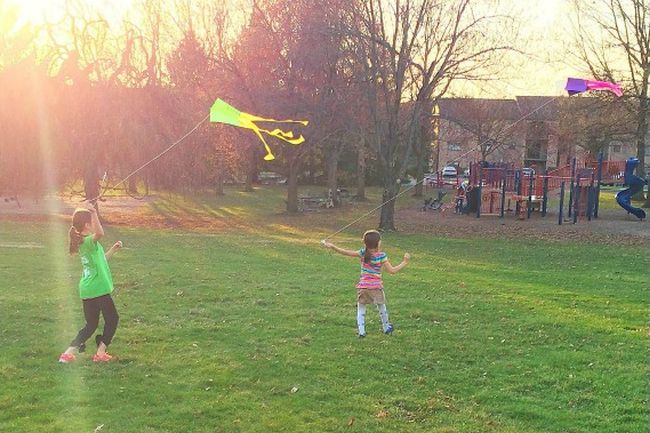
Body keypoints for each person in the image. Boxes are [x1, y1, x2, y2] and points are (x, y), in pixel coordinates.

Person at [59, 201, 122, 363]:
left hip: (87, 289)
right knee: (112, 319)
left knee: (91, 325)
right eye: (92, 221)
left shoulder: (83, 243)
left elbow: (101, 261)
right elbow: (100, 233)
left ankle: (67, 353)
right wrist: (94, 212)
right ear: (87, 225)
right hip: (98, 289)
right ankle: (100, 353)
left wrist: (113, 250)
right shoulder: (88, 241)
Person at [322, 230, 410, 337]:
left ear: (365, 243)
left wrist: (332, 246)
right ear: (378, 243)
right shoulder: (381, 256)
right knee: (382, 307)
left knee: (361, 308)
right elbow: (392, 271)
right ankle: (386, 328)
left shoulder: (362, 253)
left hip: (363, 286)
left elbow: (345, 252)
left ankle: (361, 332)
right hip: (376, 287)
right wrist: (405, 262)